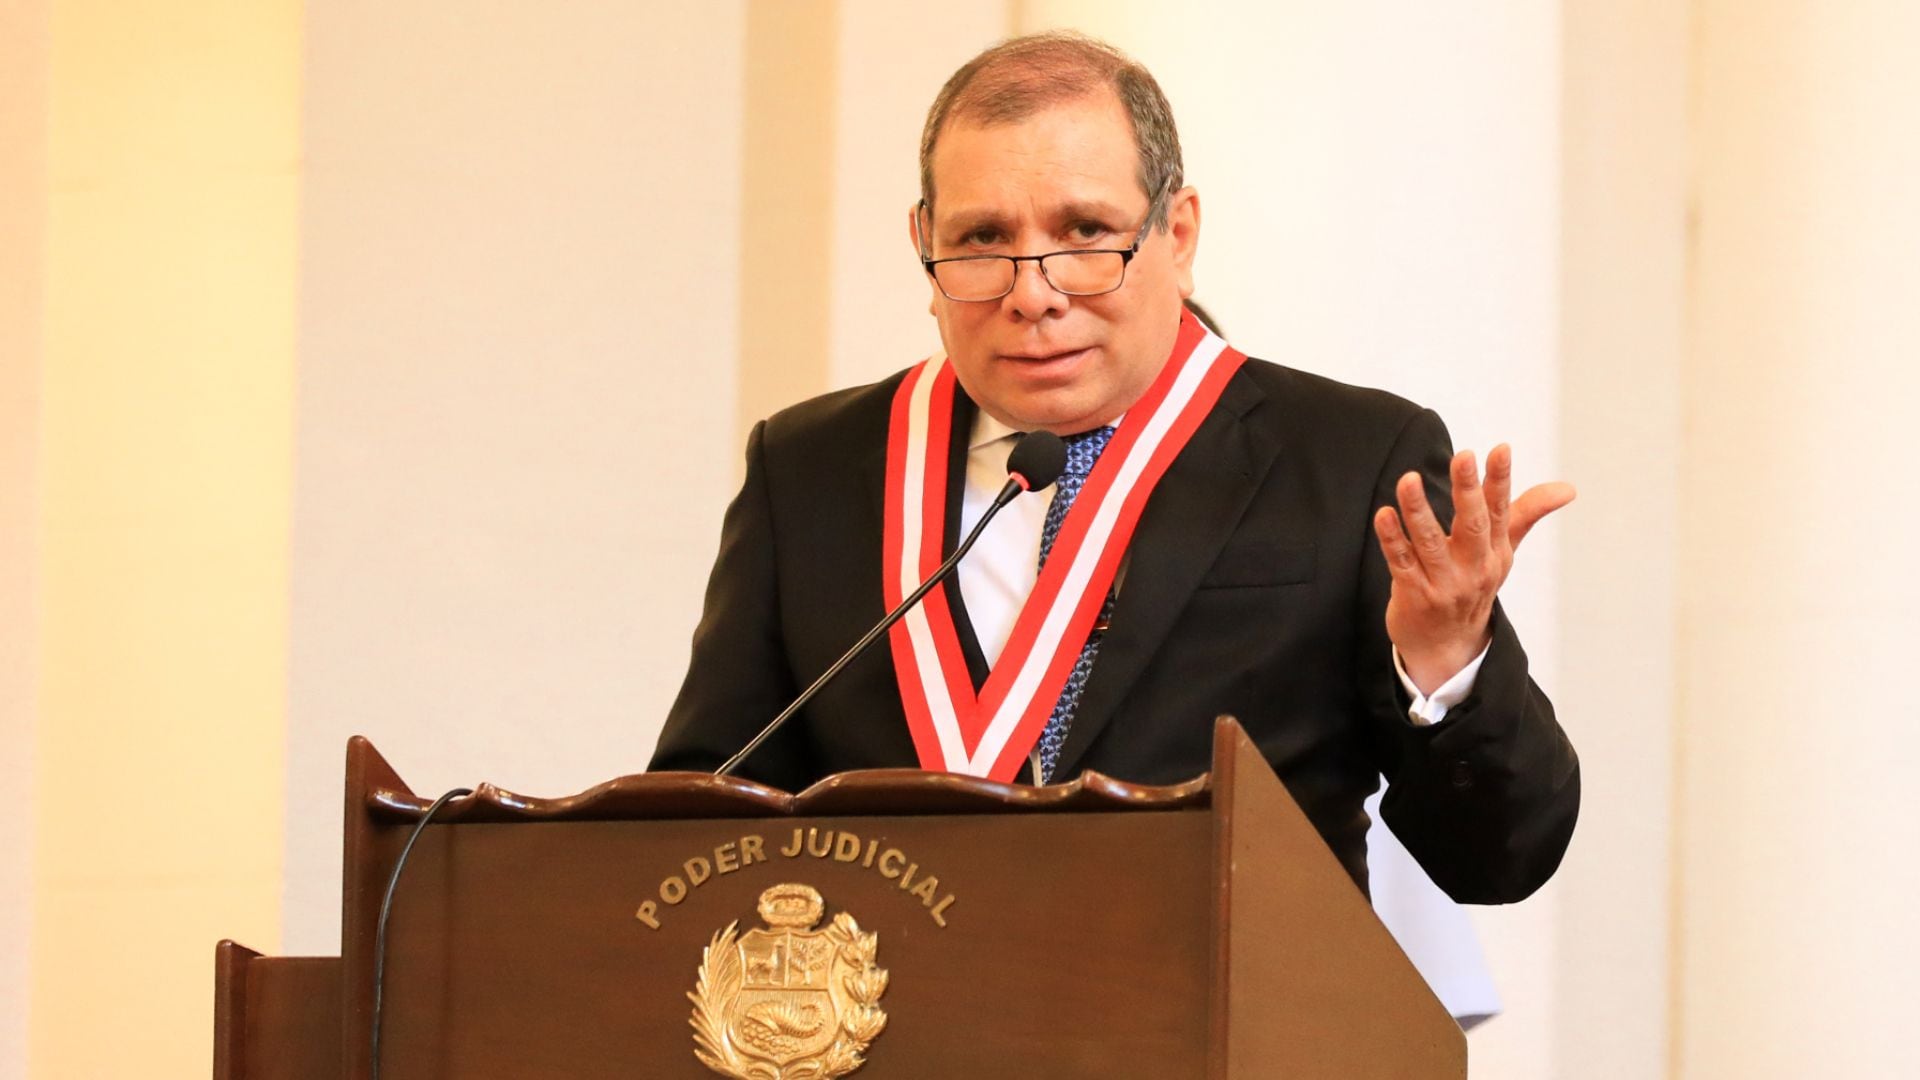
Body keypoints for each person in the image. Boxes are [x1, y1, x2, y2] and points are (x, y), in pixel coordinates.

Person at [650, 31, 1578, 904]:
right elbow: (697, 816)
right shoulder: (809, 470)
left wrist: (1449, 661)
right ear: (922, 243)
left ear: (1178, 232)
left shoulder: (1347, 457)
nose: (1033, 294)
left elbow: (1496, 856)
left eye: (1086, 231)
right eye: (980, 240)